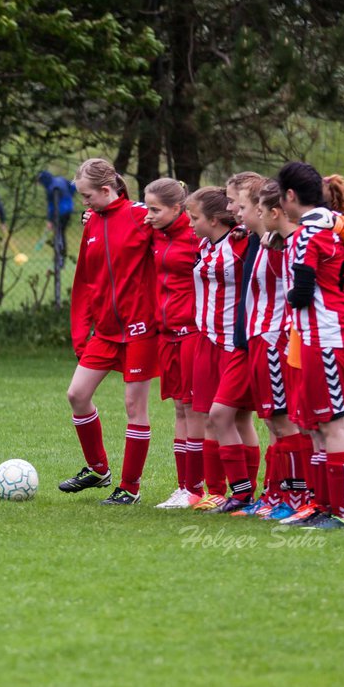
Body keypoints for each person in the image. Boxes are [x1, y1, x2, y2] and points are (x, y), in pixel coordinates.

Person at [60, 158, 158, 505]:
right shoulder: (92, 223)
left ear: (106, 190)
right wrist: (81, 331)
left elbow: (180, 230)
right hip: (104, 331)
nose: (83, 203)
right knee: (77, 394)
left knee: (135, 406)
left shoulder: (141, 216)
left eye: (87, 196)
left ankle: (130, 488)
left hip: (140, 329)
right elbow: (85, 281)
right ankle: (98, 469)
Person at [277, 161, 344, 529]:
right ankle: (324, 507)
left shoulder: (307, 235)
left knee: (332, 424)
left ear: (290, 196)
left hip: (329, 335)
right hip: (323, 335)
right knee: (316, 426)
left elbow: (300, 293)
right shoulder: (332, 227)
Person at [230, 176, 313, 520]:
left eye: (246, 207)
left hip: (275, 336)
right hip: (260, 337)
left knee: (284, 422)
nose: (236, 211)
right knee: (273, 423)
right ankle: (277, 493)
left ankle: (297, 496)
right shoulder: (262, 241)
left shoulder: (285, 244)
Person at [186, 183, 260, 514]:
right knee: (207, 419)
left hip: (234, 343)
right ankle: (216, 492)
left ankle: (246, 493)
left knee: (236, 417)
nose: (190, 223)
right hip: (206, 341)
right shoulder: (204, 244)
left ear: (216, 219)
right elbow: (166, 219)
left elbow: (260, 226)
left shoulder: (242, 243)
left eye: (195, 217)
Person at [141, 177, 206, 509]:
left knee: (195, 412)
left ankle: (197, 489)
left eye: (155, 209)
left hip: (192, 335)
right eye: (147, 207)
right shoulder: (155, 233)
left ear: (178, 209)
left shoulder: (196, 236)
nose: (148, 215)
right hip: (166, 336)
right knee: (180, 410)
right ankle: (184, 487)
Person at [37, 170, 76, 260]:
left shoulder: (51, 189)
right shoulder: (60, 179)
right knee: (60, 233)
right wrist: (69, 198)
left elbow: (52, 206)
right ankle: (59, 256)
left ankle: (60, 257)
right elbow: (73, 188)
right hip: (69, 209)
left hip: (60, 213)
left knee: (59, 234)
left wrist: (50, 220)